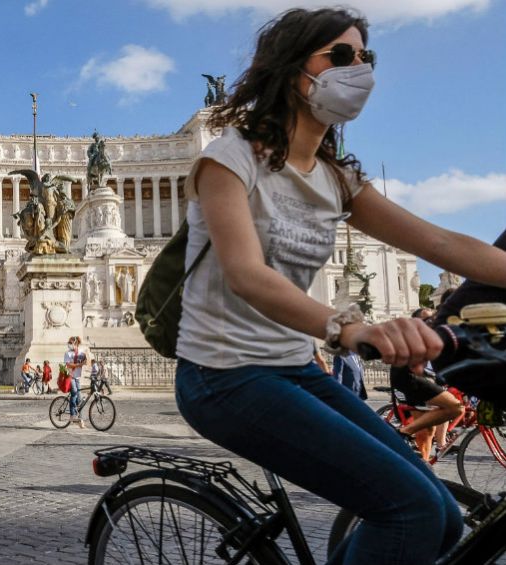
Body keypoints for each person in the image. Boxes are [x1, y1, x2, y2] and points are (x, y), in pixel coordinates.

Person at [172, 8, 506, 563]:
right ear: (291, 69)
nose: (360, 70)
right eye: (342, 57)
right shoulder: (228, 158)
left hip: (294, 368)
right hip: (221, 375)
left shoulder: (336, 176)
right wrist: (348, 328)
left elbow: (441, 244)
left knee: (442, 516)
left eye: (366, 58)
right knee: (411, 511)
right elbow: (246, 275)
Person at [390, 308, 465, 461]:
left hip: (413, 378)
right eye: (427, 319)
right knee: (455, 407)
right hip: (411, 377)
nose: (432, 321)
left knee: (427, 430)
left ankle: (424, 464)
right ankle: (403, 432)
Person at [63, 336, 88, 428]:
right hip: (70, 376)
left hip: (77, 377)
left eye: (70, 342)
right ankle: (72, 415)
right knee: (74, 392)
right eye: (69, 342)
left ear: (75, 343)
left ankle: (80, 420)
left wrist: (86, 359)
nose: (69, 344)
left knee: (80, 399)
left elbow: (86, 361)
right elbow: (68, 364)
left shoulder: (81, 352)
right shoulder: (67, 353)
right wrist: (79, 364)